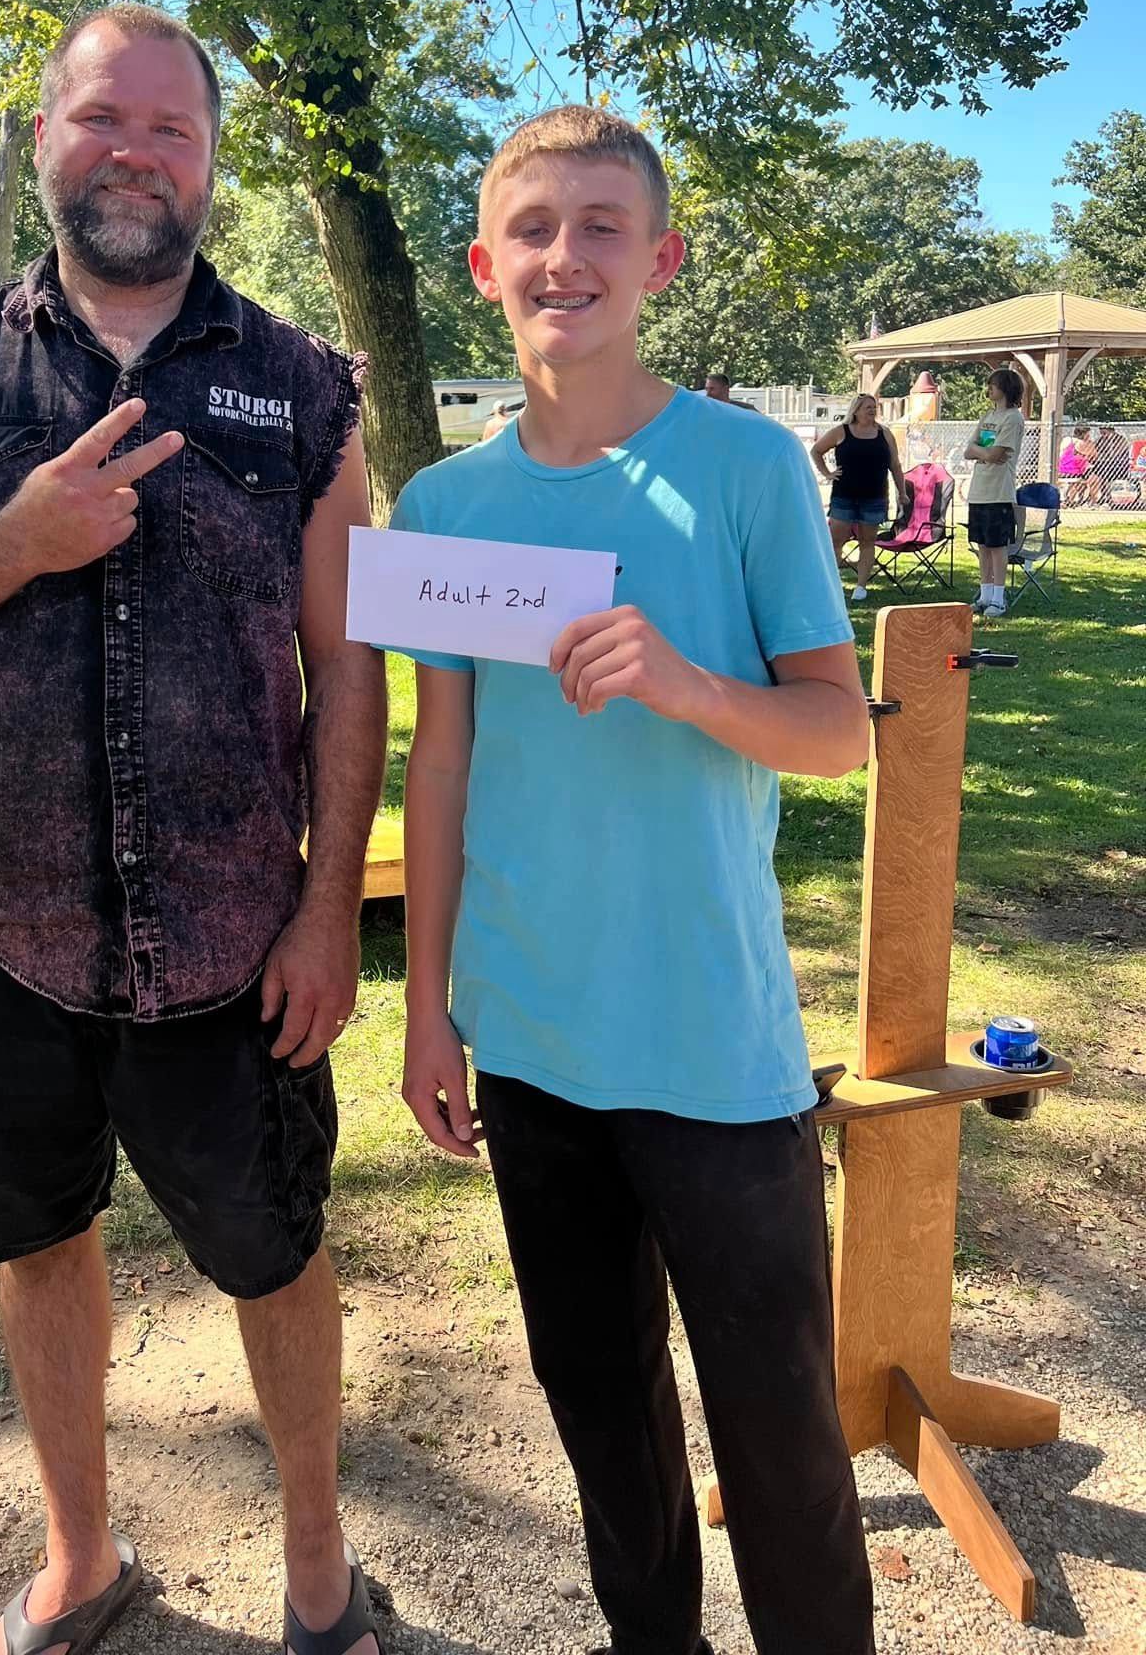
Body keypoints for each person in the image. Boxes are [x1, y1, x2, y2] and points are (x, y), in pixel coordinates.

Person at [0, 5, 387, 1655]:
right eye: (101, 117)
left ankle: (315, 1560)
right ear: (49, 134)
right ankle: (83, 1552)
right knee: (38, 1240)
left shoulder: (305, 388)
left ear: (212, 162)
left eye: (171, 127)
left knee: (274, 1254)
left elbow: (347, 666)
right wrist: (19, 537)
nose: (135, 149)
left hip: (232, 941)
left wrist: (327, 901)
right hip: (6, 927)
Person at [391, 105, 875, 1655]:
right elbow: (444, 761)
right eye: (535, 228)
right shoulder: (441, 507)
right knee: (605, 1425)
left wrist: (688, 685)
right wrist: (428, 1015)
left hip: (718, 1056)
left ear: (659, 260)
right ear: (485, 266)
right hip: (533, 1049)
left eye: (604, 226)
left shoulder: (746, 470)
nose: (566, 256)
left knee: (782, 1447)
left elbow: (840, 734)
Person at [812, 393, 906, 603]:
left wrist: (903, 492)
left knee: (867, 541)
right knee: (837, 541)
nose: (872, 411)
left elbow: (895, 465)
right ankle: (832, 585)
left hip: (874, 496)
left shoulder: (884, 433)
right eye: (867, 407)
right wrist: (827, 473)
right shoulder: (841, 432)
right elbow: (816, 451)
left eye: (874, 407)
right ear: (856, 410)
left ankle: (861, 586)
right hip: (844, 495)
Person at [964, 368, 1026, 619]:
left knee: (997, 545)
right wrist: (982, 452)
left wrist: (982, 451)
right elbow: (969, 450)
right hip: (978, 490)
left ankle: (999, 598)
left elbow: (996, 453)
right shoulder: (988, 416)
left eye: (993, 385)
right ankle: (985, 594)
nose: (989, 389)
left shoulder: (1012, 418)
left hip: (999, 492)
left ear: (1006, 388)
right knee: (982, 544)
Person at [1059, 424, 1094, 508]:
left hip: (1061, 469)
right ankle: (1080, 501)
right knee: (1091, 477)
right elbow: (1093, 454)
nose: (1088, 436)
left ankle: (1069, 500)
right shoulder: (1080, 443)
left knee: (1081, 481)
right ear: (1083, 434)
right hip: (1073, 471)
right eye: (1087, 434)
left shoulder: (1067, 439)